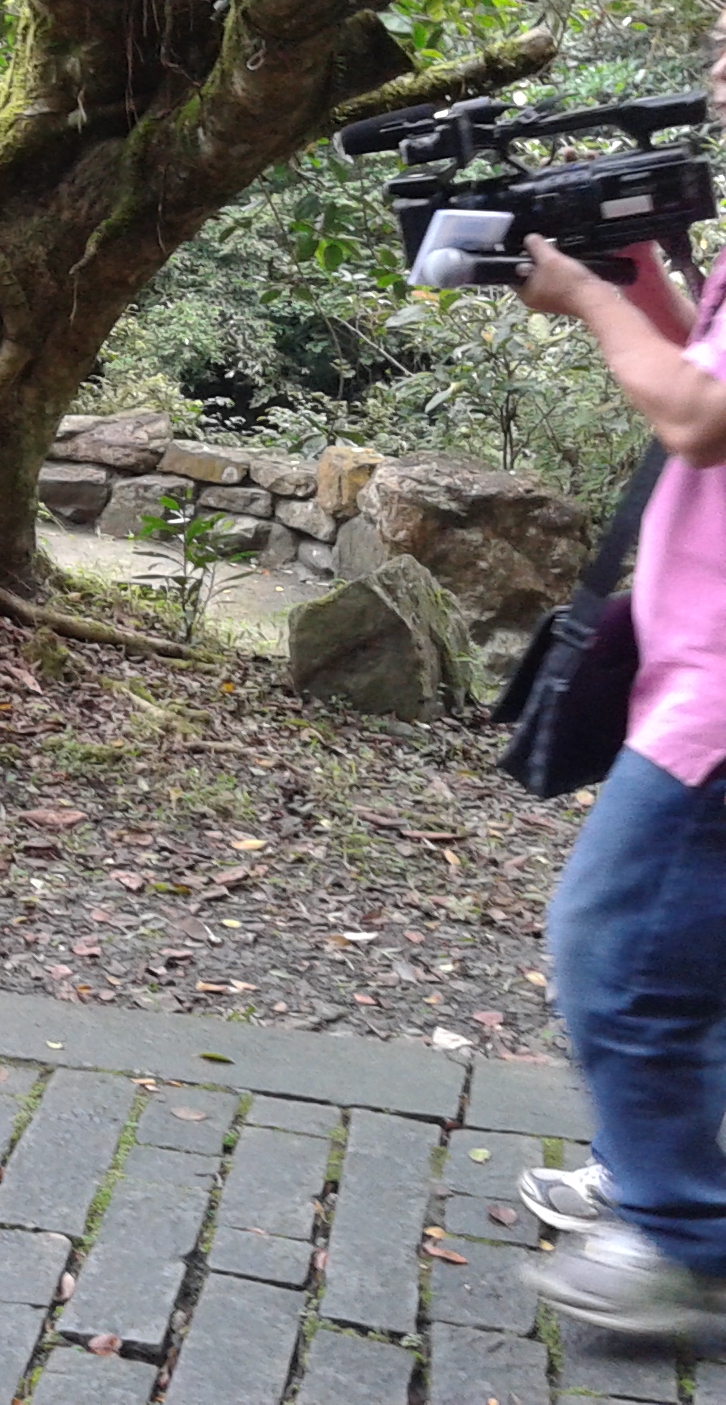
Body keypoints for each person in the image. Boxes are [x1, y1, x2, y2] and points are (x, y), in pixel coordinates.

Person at [515, 65, 726, 1337]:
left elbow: (697, 416)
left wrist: (593, 299)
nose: (718, 76)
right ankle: (663, 1168)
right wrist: (631, 274)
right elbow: (696, 357)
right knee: (687, 950)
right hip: (694, 653)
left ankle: (677, 1236)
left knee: (615, 950)